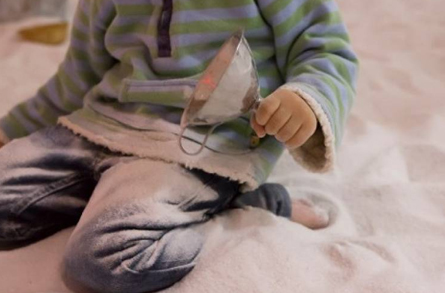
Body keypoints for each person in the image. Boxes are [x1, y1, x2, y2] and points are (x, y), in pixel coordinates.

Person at [0, 0, 358, 292]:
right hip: (100, 125)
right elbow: (76, 77)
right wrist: (9, 130)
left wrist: (306, 99)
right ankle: (111, 197)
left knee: (105, 261)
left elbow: (326, 52)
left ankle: (237, 206)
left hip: (197, 147)